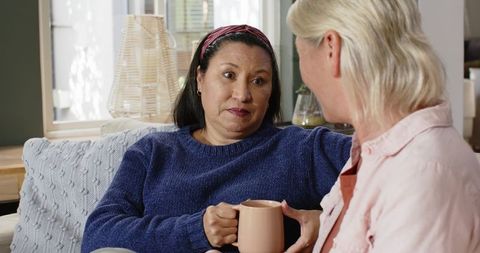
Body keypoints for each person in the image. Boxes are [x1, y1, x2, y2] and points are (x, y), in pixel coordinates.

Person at [81, 24, 352, 253]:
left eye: (258, 81)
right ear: (200, 79)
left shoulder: (305, 149)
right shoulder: (152, 153)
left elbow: (389, 173)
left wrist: (328, 222)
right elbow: (98, 235)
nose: (242, 94)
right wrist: (196, 230)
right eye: (228, 75)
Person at [286, 0, 480, 252]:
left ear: (332, 48)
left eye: (300, 54)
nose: (303, 75)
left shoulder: (422, 174)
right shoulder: (370, 150)